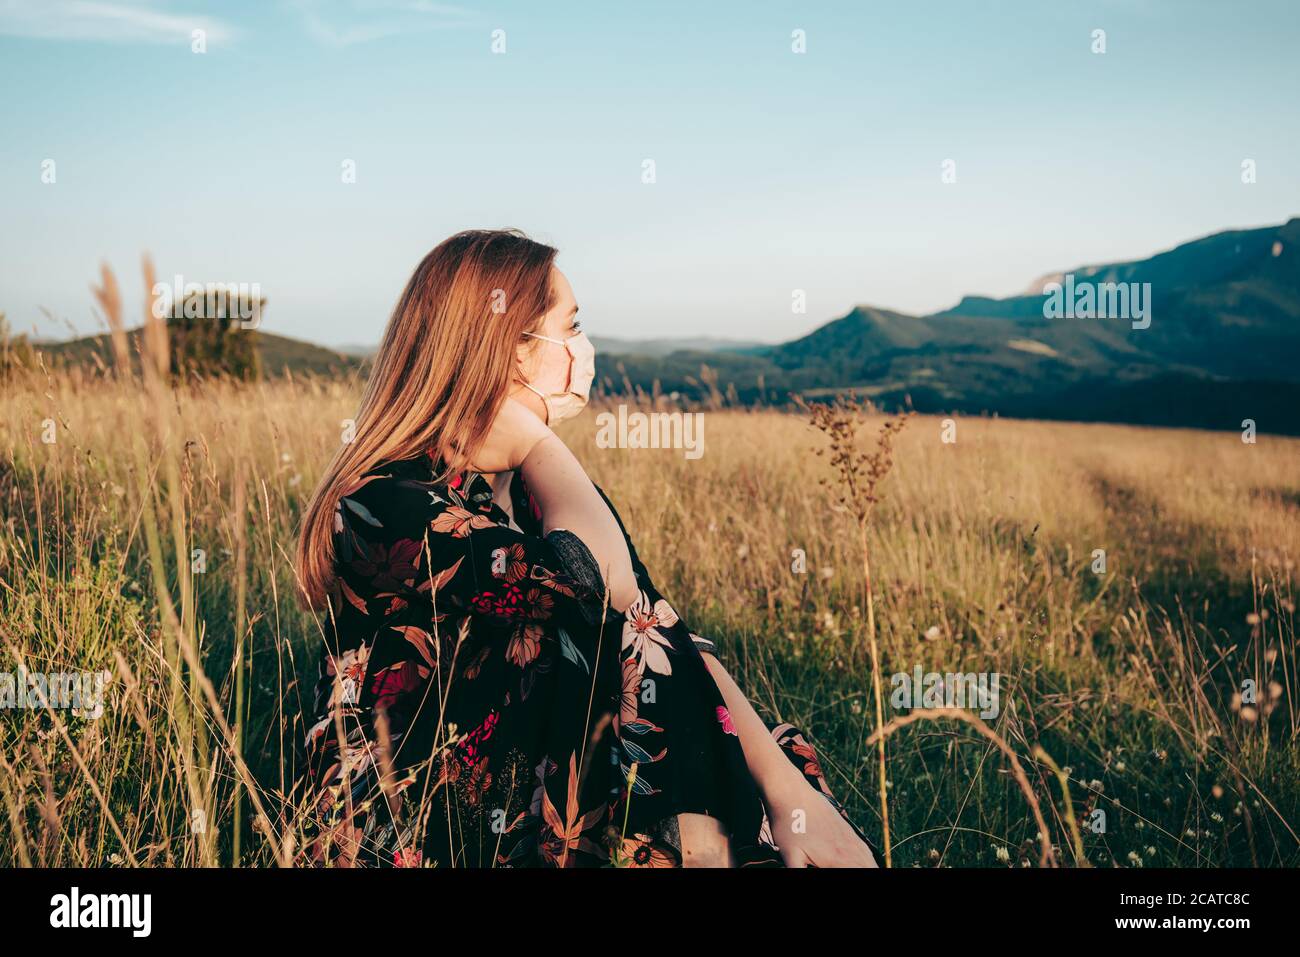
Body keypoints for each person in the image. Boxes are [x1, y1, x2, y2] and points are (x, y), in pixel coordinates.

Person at [294, 229, 877, 867]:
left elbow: (652, 621)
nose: (586, 348)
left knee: (654, 658)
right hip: (404, 817)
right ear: (506, 348)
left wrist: (792, 795)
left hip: (521, 790)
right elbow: (598, 587)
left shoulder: (542, 495)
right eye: (571, 326)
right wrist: (540, 444)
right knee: (607, 647)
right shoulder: (387, 500)